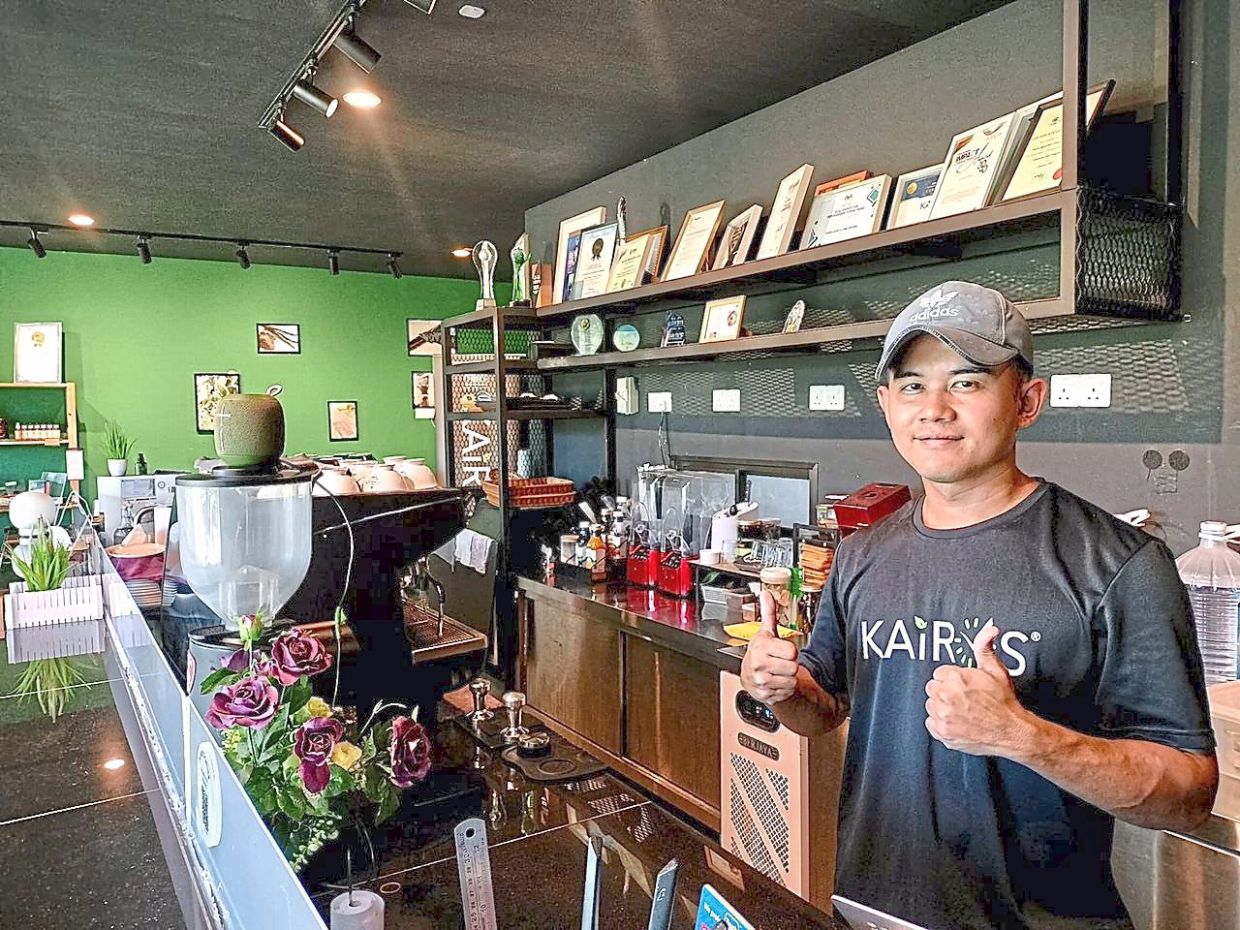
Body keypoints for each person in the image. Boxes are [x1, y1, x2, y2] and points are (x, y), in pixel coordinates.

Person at [740, 282, 1218, 930]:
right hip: (871, 913)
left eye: (966, 382)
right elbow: (822, 710)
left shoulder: (1119, 565)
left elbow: (1189, 792)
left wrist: (1025, 737)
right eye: (911, 386)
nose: (933, 408)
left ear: (1026, 401)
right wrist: (781, 688)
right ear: (885, 404)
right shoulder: (862, 555)